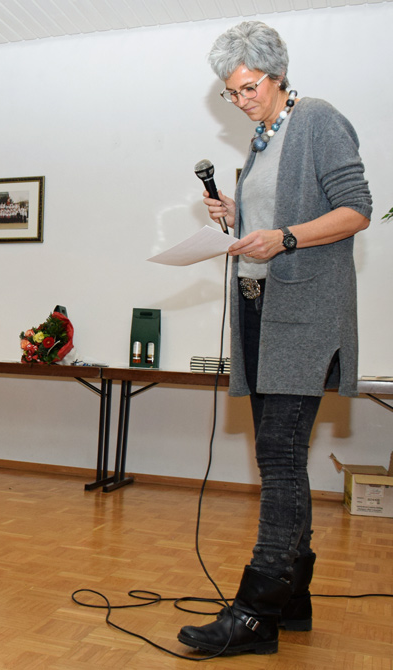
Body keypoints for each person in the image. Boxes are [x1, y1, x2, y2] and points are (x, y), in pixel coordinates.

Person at [177, 22, 372, 656]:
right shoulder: (265, 139)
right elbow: (279, 211)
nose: (241, 101)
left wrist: (283, 237)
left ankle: (256, 613)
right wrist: (241, 217)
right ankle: (293, 599)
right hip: (262, 310)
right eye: (231, 93)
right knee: (278, 458)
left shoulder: (317, 119)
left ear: (278, 73)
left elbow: (356, 208)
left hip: (305, 313)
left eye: (248, 87)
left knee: (281, 458)